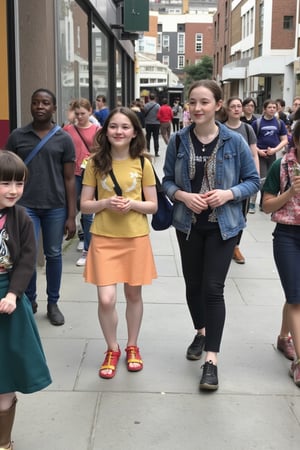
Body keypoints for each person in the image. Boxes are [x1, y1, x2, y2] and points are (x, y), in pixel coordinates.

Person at [162, 80, 260, 391]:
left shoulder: (235, 141)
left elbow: (253, 181)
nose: (197, 108)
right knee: (193, 284)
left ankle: (211, 359)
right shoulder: (178, 141)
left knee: (213, 288)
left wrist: (229, 193)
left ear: (217, 105)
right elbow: (165, 181)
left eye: (204, 102)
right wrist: (181, 195)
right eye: (192, 102)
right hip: (188, 225)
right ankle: (201, 331)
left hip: (223, 226)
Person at [80, 107, 158, 379]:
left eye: (125, 127)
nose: (119, 131)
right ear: (105, 130)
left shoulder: (143, 163)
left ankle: (132, 346)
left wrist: (132, 204)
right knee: (106, 299)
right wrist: (105, 203)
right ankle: (112, 348)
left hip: (135, 237)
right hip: (103, 237)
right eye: (113, 126)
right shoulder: (94, 163)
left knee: (133, 295)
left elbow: (153, 206)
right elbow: (85, 205)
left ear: (135, 132)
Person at [5, 88, 77, 326]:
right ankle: (29, 299)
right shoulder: (18, 136)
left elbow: (69, 179)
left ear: (54, 108)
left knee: (54, 254)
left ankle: (53, 303)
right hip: (25, 207)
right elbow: (7, 171)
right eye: (35, 102)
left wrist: (71, 215)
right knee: (28, 254)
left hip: (55, 206)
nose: (40, 106)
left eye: (45, 103)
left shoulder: (63, 138)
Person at [0, 151, 52, 450]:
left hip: (9, 300)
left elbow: (27, 260)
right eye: (5, 183)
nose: (12, 190)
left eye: (18, 184)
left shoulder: (21, 217)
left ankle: (3, 443)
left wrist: (12, 294)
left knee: (6, 374)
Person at [262, 120, 300, 387]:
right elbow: (266, 206)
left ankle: (284, 336)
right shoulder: (281, 166)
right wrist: (290, 192)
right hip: (287, 236)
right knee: (297, 298)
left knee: (295, 293)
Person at [64, 98, 100, 267]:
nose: (79, 117)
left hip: (90, 175)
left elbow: (102, 151)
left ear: (90, 112)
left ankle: (88, 248)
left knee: (88, 212)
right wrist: (69, 119)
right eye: (77, 114)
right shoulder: (68, 130)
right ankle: (81, 236)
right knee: (71, 208)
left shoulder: (97, 130)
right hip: (72, 174)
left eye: (83, 114)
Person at [223, 97, 260, 264]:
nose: (237, 109)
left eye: (239, 106)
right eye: (233, 106)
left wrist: (255, 176)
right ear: (227, 109)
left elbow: (253, 154)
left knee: (241, 214)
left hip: (243, 179)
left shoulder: (247, 129)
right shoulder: (220, 128)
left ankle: (235, 246)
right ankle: (224, 244)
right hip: (225, 178)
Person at [250, 99, 288, 213]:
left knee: (270, 179)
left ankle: (264, 202)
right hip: (259, 155)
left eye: (274, 108)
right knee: (260, 178)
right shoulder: (257, 123)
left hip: (272, 155)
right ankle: (252, 202)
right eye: (269, 107)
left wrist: (275, 149)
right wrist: (258, 151)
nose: (272, 109)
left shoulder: (279, 123)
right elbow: (251, 141)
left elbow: (284, 140)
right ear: (264, 109)